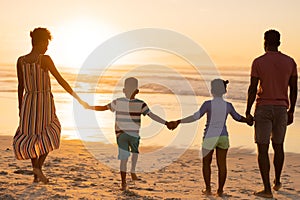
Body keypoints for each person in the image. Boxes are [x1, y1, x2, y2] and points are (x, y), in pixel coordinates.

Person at [13, 28, 88, 183]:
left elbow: (20, 86)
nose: (47, 47)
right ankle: (38, 168)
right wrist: (78, 98)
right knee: (52, 131)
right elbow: (60, 80)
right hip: (44, 102)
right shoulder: (45, 59)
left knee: (31, 138)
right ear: (39, 42)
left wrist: (21, 107)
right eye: (46, 43)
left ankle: (36, 175)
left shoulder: (21, 60)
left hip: (28, 102)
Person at [168, 79, 252, 197]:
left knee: (206, 164)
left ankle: (208, 189)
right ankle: (220, 191)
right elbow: (238, 118)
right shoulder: (228, 105)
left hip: (209, 137)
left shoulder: (208, 104)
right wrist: (248, 120)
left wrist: (178, 121)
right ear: (225, 91)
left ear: (212, 90)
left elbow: (195, 116)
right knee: (222, 165)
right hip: (223, 136)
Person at [87, 77, 169, 191]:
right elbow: (152, 115)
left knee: (123, 159)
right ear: (137, 91)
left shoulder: (118, 102)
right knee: (135, 152)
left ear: (124, 90)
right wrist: (166, 123)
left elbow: (103, 108)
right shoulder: (141, 104)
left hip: (121, 135)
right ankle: (133, 171)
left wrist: (89, 107)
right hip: (134, 135)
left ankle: (123, 183)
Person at [245, 29, 298, 198]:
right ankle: (277, 181)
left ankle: (267, 189)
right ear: (280, 42)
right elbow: (294, 89)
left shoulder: (258, 62)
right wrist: (291, 110)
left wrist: (247, 111)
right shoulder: (290, 62)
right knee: (279, 146)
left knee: (262, 149)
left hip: (263, 108)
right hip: (282, 108)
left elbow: (253, 88)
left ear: (264, 41)